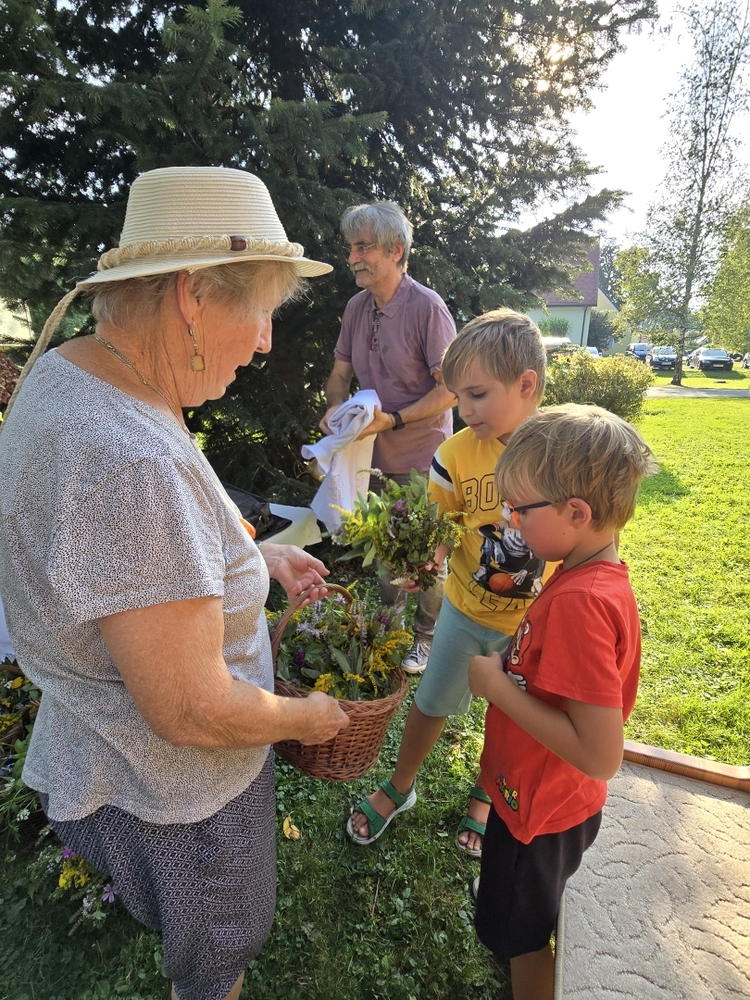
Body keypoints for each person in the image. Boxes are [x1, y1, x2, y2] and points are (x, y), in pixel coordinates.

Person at [0, 166, 350, 1000]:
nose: (265, 341)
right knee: (217, 958)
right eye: (260, 310)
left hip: (109, 750)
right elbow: (191, 711)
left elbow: (128, 556)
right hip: (178, 795)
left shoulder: (76, 373)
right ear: (192, 294)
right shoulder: (132, 466)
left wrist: (252, 560)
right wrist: (308, 718)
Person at [468, 404, 657, 1000]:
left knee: (523, 937)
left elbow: (600, 755)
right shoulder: (590, 571)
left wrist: (496, 686)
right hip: (554, 802)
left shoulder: (581, 602)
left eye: (520, 508)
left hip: (537, 813)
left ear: (577, 513)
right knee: (529, 908)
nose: (510, 518)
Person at [346, 309, 552, 856]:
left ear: (525, 384)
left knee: (509, 718)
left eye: (477, 395)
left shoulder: (562, 453)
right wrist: (428, 562)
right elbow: (442, 527)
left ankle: (484, 797)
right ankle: (401, 785)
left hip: (533, 625)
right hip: (463, 611)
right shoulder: (455, 454)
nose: (464, 410)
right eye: (459, 396)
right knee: (431, 701)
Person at [320, 201, 457, 673]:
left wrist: (394, 420)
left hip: (423, 456)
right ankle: (391, 627)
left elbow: (451, 390)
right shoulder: (356, 308)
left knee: (425, 553)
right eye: (351, 247)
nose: (352, 258)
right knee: (383, 546)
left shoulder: (427, 307)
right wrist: (335, 407)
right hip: (372, 457)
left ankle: (426, 637)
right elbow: (339, 375)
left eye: (363, 247)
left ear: (396, 250)